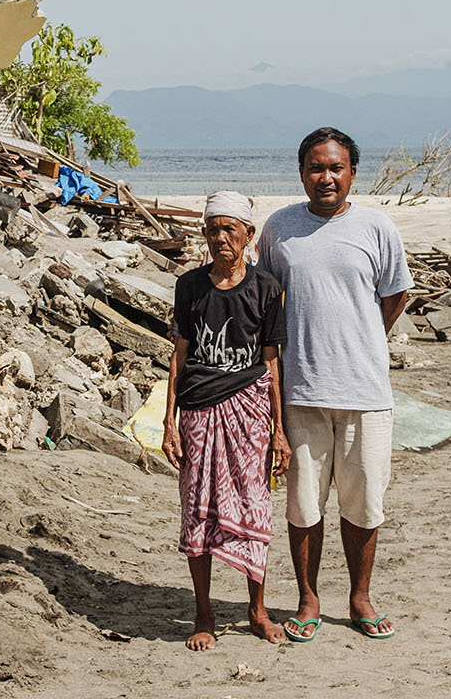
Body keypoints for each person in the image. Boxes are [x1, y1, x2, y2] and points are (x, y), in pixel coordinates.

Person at [256, 127, 411, 644]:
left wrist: (362, 340)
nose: (326, 177)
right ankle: (308, 598)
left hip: (366, 393)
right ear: (301, 173)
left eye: (336, 168)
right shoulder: (279, 230)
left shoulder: (376, 227)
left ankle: (360, 597)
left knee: (363, 502)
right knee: (303, 503)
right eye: (316, 168)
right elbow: (265, 301)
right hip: (300, 393)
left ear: (351, 174)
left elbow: (394, 294)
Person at [162, 190, 290, 650]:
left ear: (249, 235)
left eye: (229, 229)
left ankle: (257, 610)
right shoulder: (189, 286)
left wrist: (280, 431)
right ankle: (204, 613)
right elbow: (178, 354)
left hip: (250, 411)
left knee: (255, 504)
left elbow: (272, 361)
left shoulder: (266, 288)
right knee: (197, 509)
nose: (221, 238)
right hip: (198, 410)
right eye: (213, 229)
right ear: (204, 234)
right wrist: (168, 421)